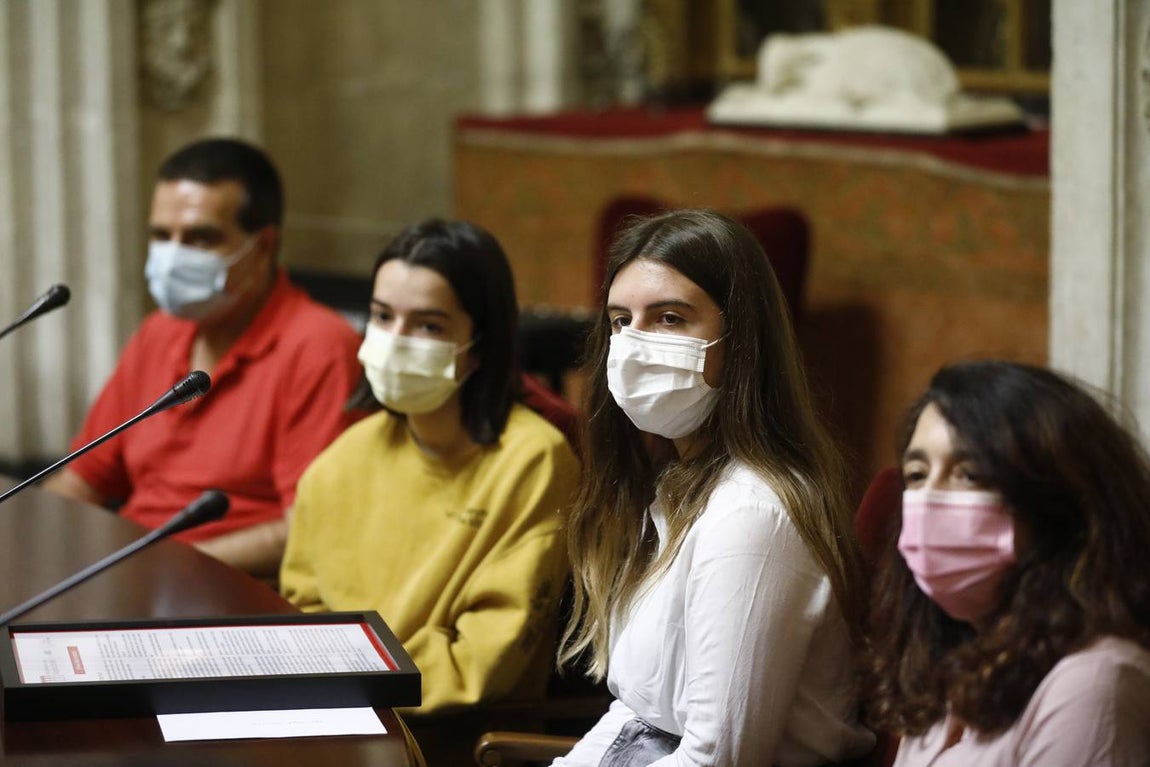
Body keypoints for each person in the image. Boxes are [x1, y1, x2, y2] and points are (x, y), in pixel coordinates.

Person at [553, 209, 874, 766]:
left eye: (670, 319)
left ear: (742, 340)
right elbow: (635, 711)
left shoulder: (752, 516)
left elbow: (717, 760)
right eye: (621, 321)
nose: (633, 344)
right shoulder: (676, 483)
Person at [279, 218, 580, 716]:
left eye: (427, 325)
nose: (396, 341)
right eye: (381, 316)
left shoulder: (532, 461)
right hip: (334, 716)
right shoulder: (342, 460)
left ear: (480, 346)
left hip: (446, 738)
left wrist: (347, 689)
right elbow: (304, 611)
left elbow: (483, 660)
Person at [44, 138, 362, 578]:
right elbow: (84, 479)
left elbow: (304, 529)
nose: (174, 256)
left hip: (227, 592)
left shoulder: (320, 347)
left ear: (264, 246)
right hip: (126, 576)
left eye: (201, 237)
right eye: (162, 235)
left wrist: (150, 567)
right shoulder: (160, 331)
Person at [864, 360, 1150, 766]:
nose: (929, 498)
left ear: (1058, 503)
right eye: (916, 473)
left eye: (968, 474)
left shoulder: (1092, 683)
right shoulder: (950, 660)